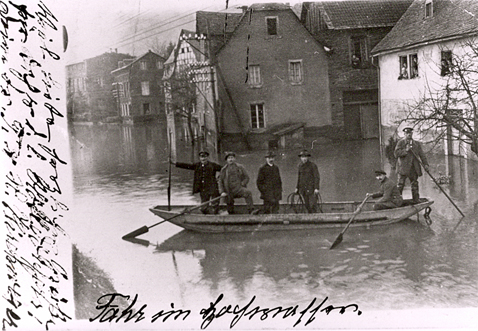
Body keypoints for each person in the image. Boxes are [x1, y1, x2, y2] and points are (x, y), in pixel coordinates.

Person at [394, 127, 429, 203]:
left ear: (412, 134)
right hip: (403, 168)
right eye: (407, 133)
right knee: (400, 185)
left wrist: (426, 164)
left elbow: (422, 155)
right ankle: (397, 201)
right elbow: (396, 154)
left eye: (410, 133)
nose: (408, 135)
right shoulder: (401, 143)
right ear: (404, 134)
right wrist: (405, 150)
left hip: (413, 168)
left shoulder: (416, 144)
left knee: (415, 185)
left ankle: (416, 200)